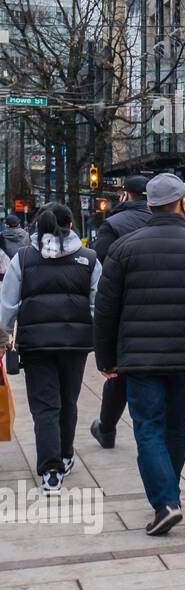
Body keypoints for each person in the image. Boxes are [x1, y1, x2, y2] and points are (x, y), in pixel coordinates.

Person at [94, 173, 185, 536]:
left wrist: (106, 359)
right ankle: (168, 496)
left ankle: (166, 500)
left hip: (139, 359)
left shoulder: (124, 249)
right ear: (182, 204)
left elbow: (105, 309)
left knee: (148, 429)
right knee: (176, 429)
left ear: (150, 205)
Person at [0, 204, 100, 492]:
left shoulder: (24, 258)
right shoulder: (89, 258)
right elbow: (99, 303)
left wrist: (4, 337)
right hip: (75, 345)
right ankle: (66, 455)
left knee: (45, 407)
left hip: (36, 344)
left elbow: (8, 303)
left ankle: (50, 470)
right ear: (71, 222)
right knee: (68, 401)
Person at [88, 174, 151, 450]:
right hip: (166, 308)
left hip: (127, 310)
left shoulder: (112, 225)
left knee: (120, 373)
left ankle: (107, 427)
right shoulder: (166, 223)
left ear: (125, 195)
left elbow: (103, 268)